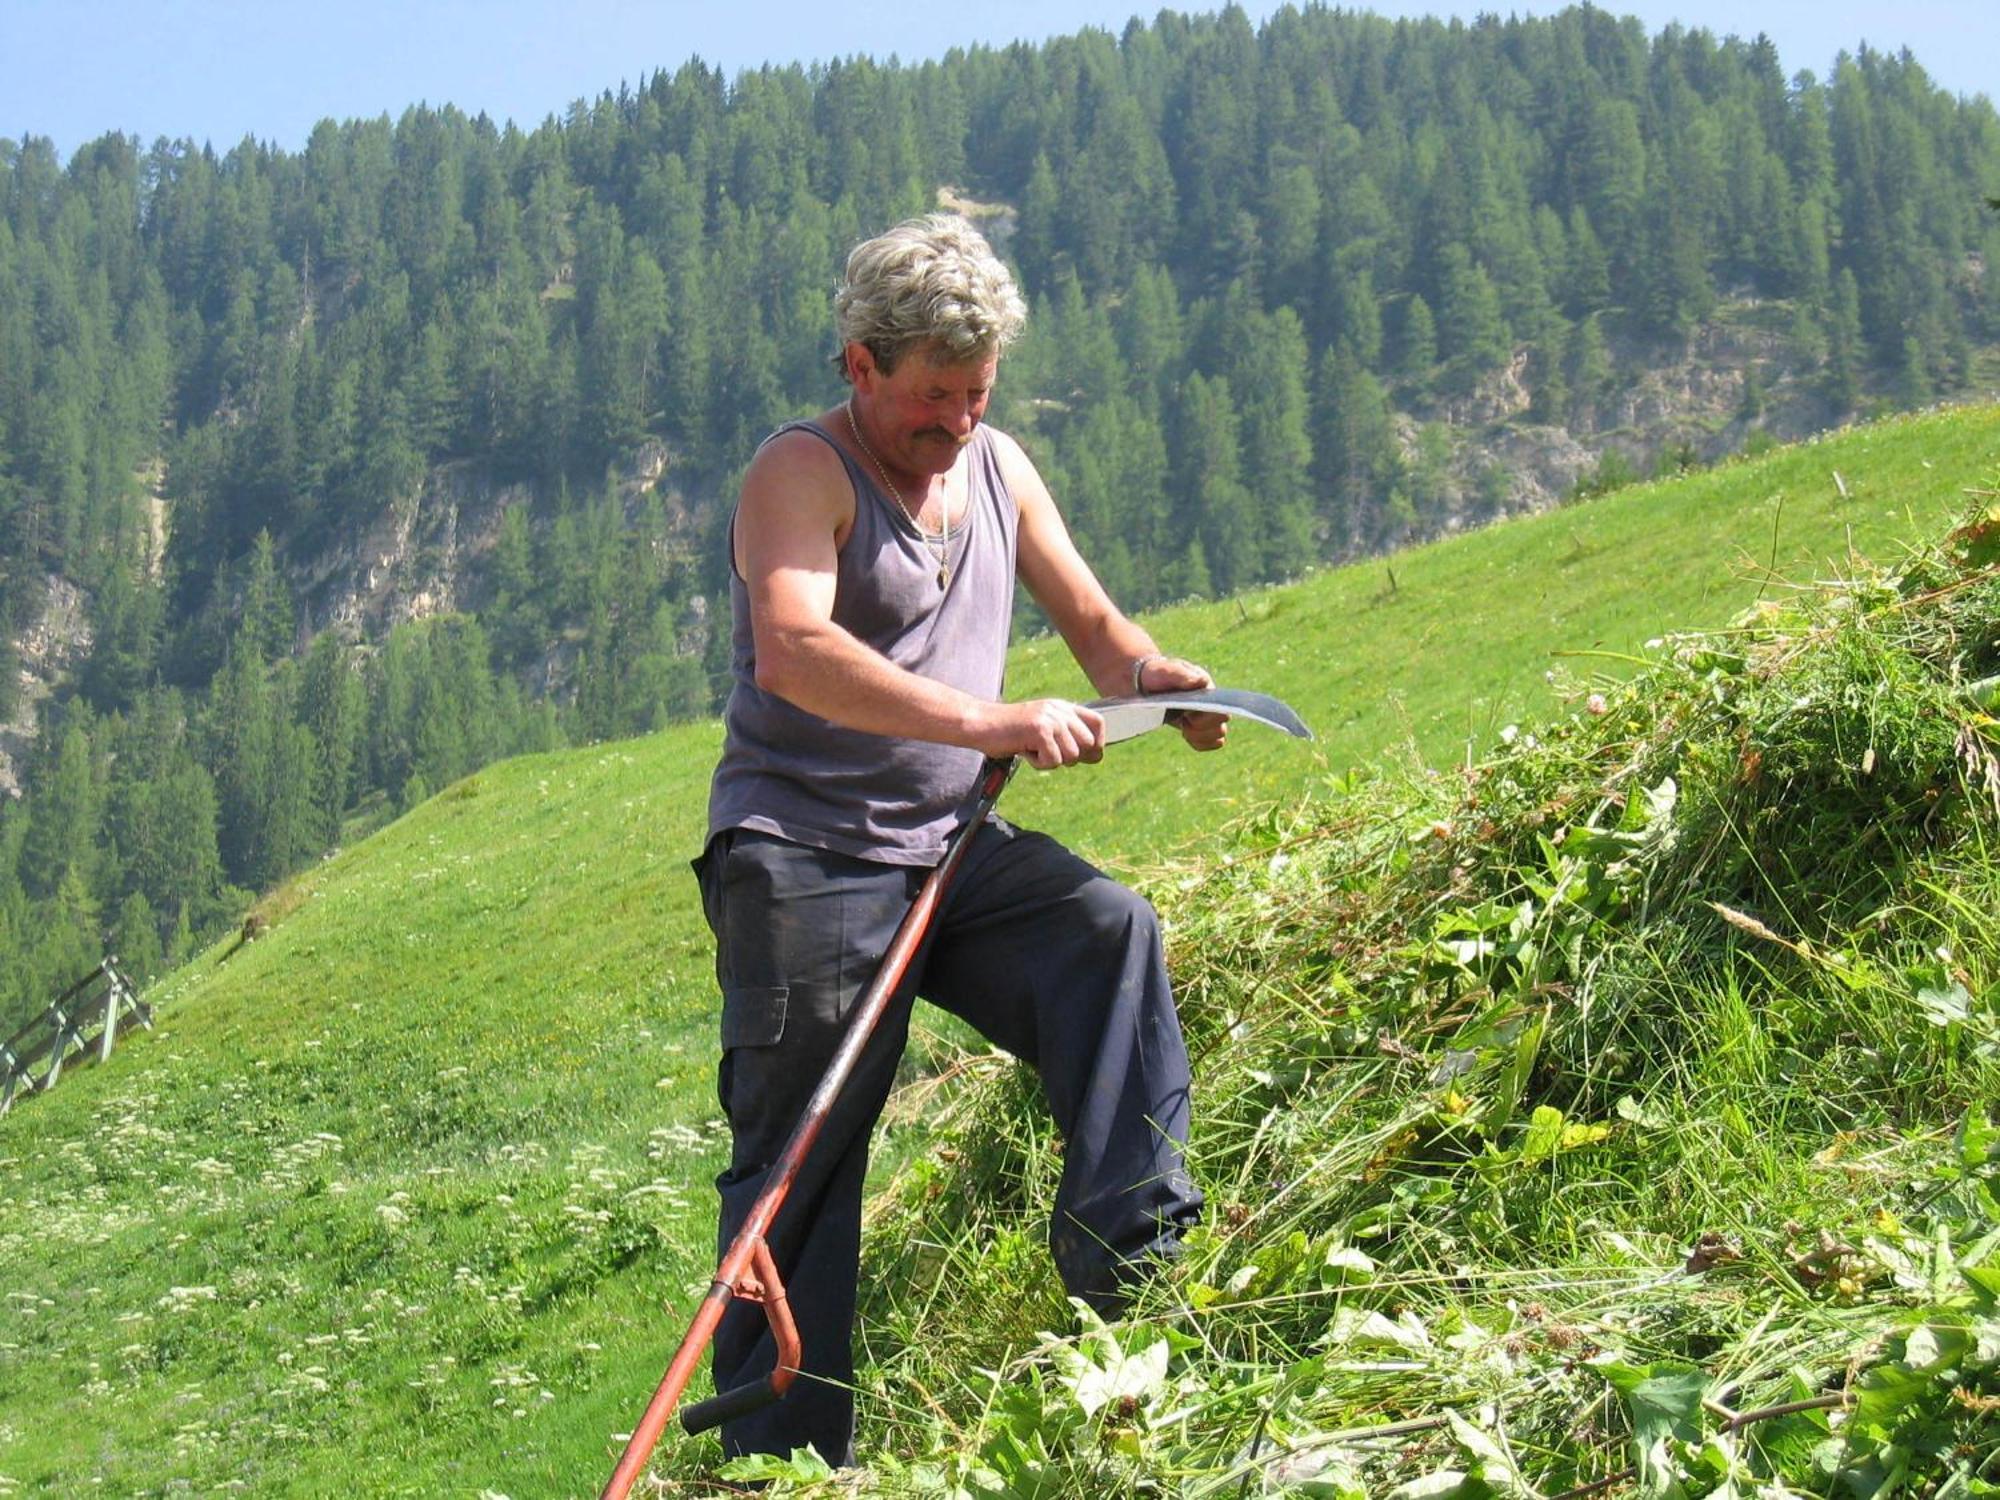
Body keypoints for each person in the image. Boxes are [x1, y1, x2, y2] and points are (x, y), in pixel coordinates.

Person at [695, 212, 1223, 1467]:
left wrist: (1154, 676)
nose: (955, 426)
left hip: (947, 843)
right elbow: (797, 652)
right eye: (931, 398)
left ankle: (1134, 1286)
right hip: (804, 857)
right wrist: (990, 717)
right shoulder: (799, 476)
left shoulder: (997, 467)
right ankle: (784, 1465)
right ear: (859, 367)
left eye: (976, 395)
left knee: (1105, 935)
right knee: (803, 1163)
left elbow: (1093, 625)